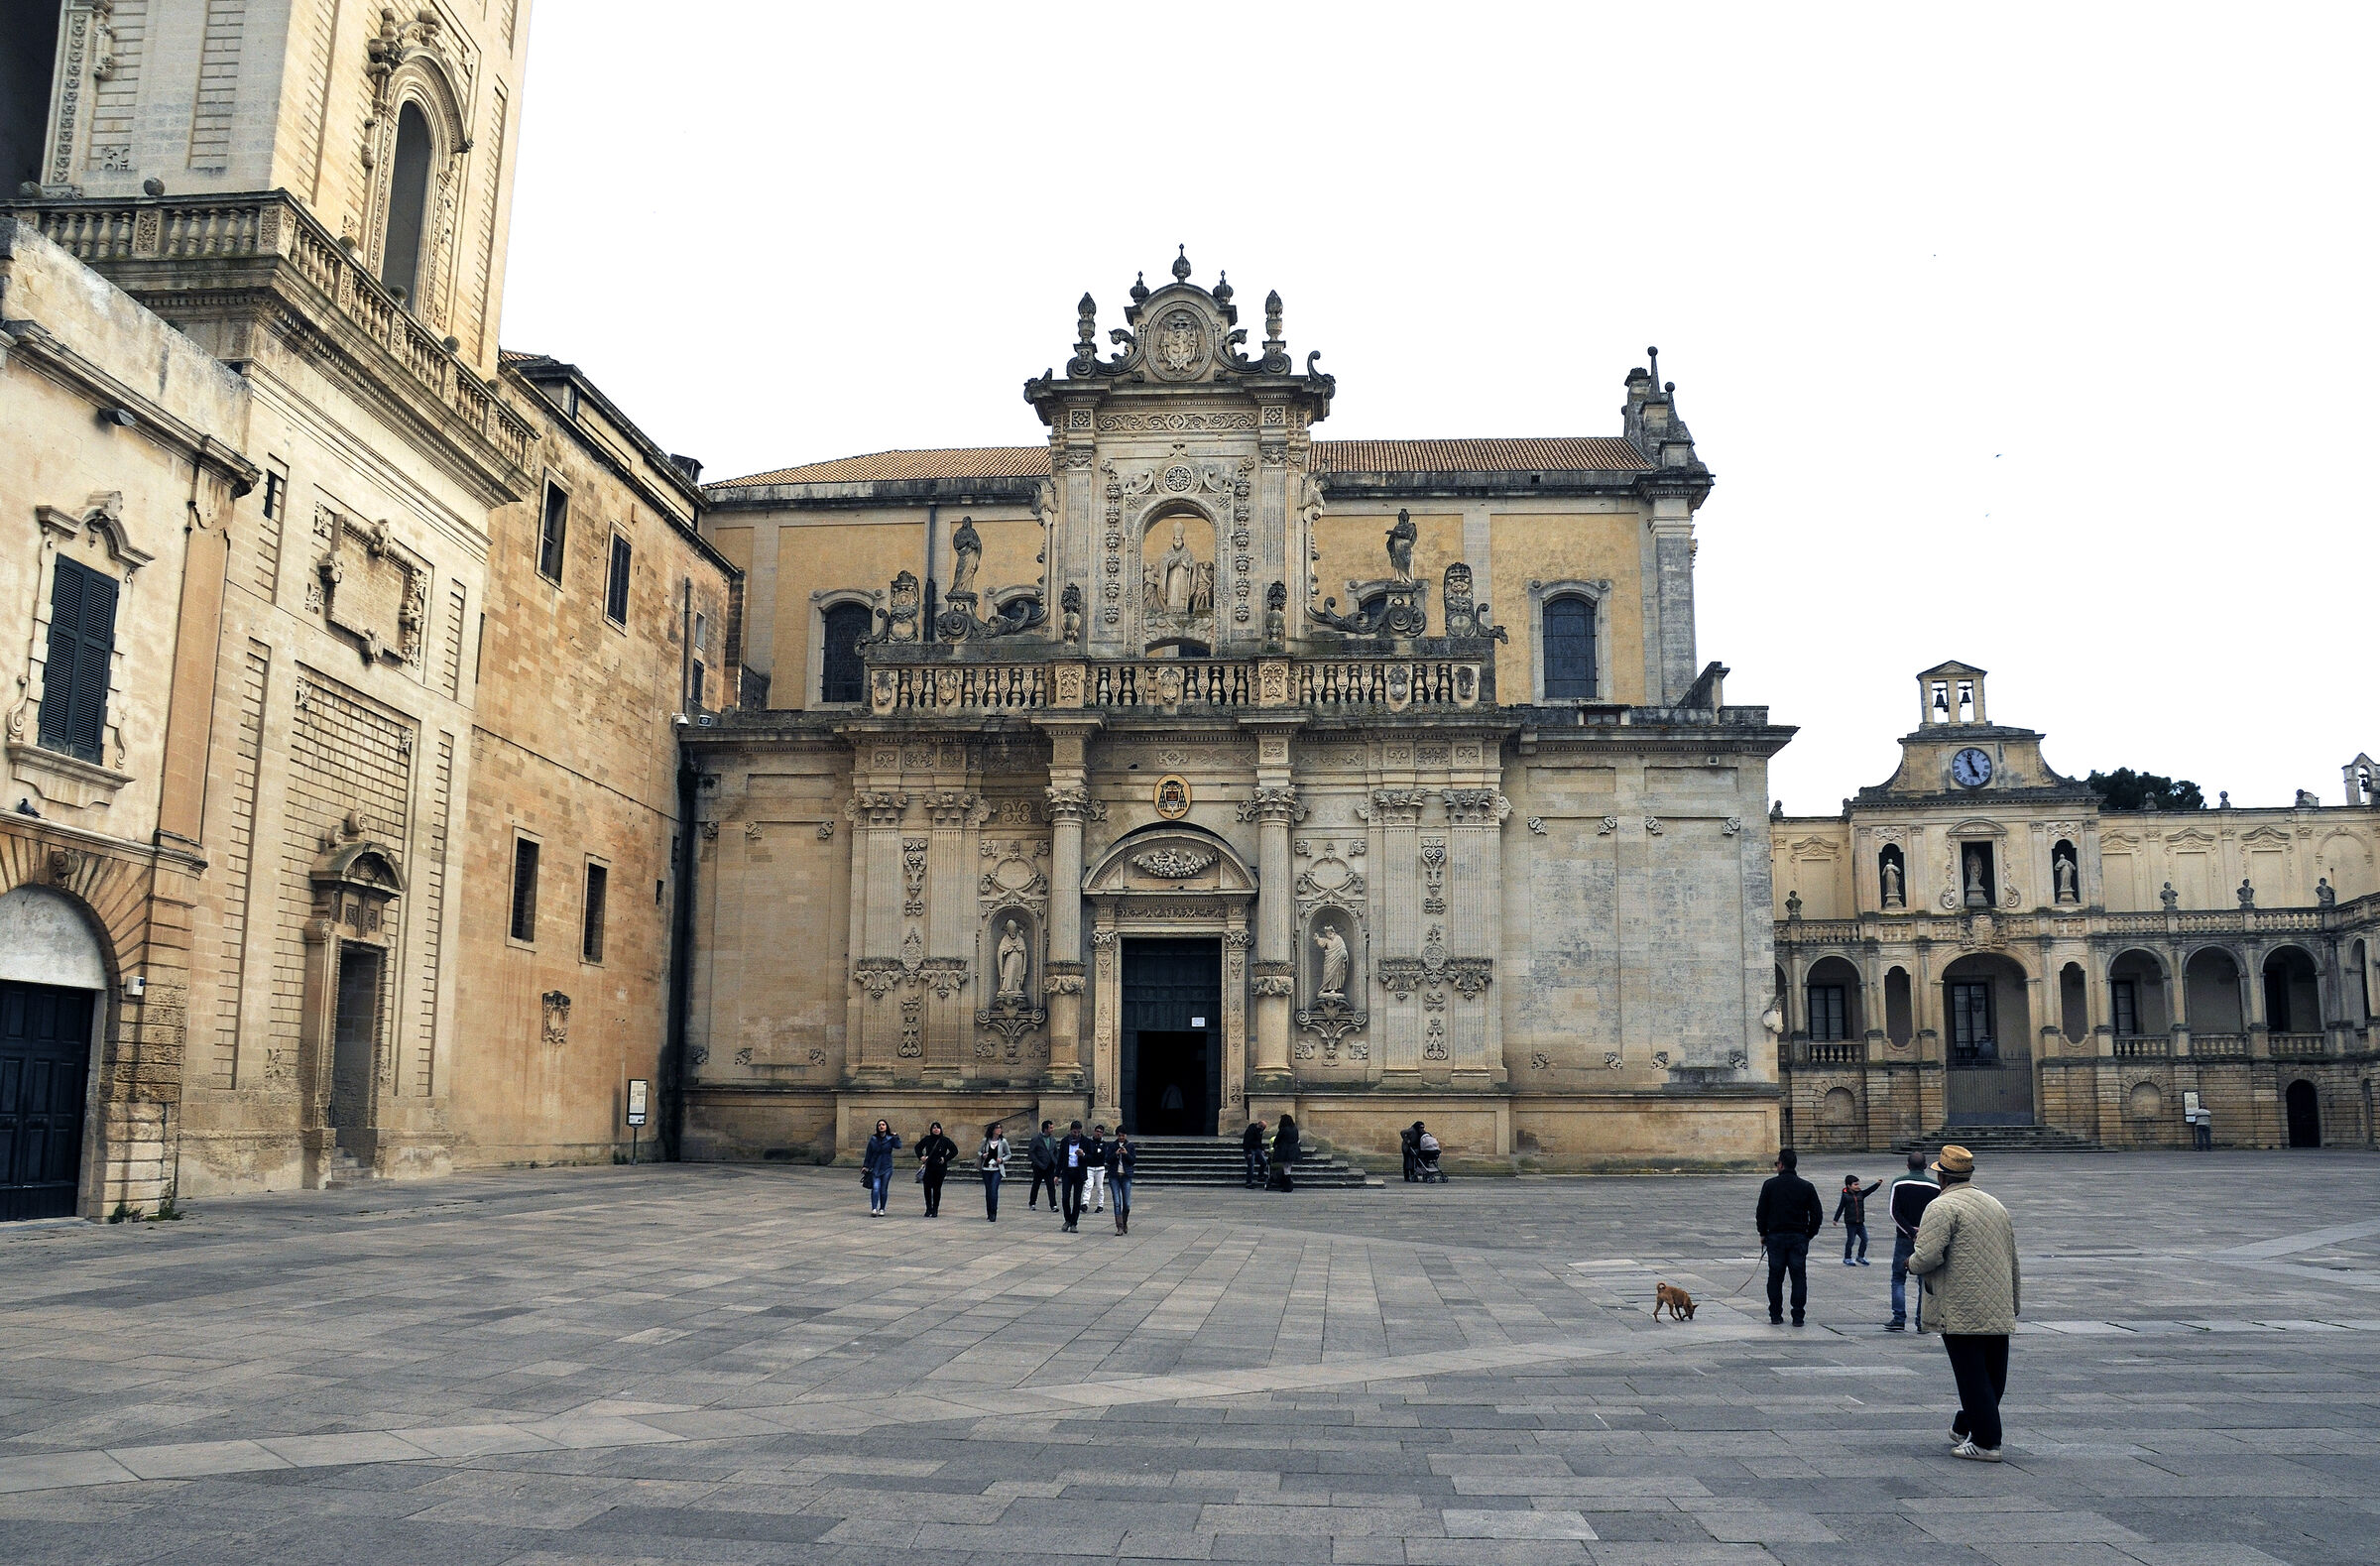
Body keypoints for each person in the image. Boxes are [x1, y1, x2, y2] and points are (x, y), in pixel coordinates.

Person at [1908, 1144, 2020, 1462]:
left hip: (1960, 1305)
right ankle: (1966, 1423)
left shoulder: (1941, 1207)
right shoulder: (1995, 1204)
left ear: (1941, 1177)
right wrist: (2014, 1300)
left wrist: (1910, 1263)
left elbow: (1928, 1256)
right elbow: (2013, 1256)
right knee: (1992, 1375)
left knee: (1971, 1376)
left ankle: (1986, 1442)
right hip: (1997, 1301)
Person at [1754, 1147, 1824, 1325]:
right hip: (1798, 1237)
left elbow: (1761, 1212)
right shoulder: (1806, 1186)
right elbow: (1817, 1214)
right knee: (1798, 1276)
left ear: (1782, 1165)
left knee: (1775, 1277)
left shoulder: (1769, 1185)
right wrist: (1809, 1234)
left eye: (1777, 1163)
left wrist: (1763, 1233)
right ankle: (1798, 1316)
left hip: (1775, 1237)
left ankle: (1775, 1315)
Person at [1885, 1149, 1939, 1331]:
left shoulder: (1899, 1183)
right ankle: (1921, 1320)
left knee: (1898, 1278)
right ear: (1925, 1166)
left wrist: (1909, 1231)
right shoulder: (1935, 1186)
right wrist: (1922, 1231)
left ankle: (1899, 1319)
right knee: (1923, 1280)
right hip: (1926, 1238)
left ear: (1907, 1166)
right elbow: (1937, 1213)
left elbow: (1894, 1212)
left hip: (1904, 1237)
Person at [1834, 1174, 1881, 1265]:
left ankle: (1860, 1256)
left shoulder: (1861, 1194)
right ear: (1849, 1186)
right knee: (1851, 1240)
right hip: (1850, 1222)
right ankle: (1847, 1257)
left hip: (1860, 1222)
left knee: (1865, 1239)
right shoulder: (1845, 1196)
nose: (1857, 1186)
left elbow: (1869, 1190)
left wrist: (1877, 1184)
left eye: (1858, 1184)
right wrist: (1836, 1219)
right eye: (1855, 1184)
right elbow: (1841, 1207)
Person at [914, 1122, 958, 1217]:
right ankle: (928, 1208)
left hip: (940, 1167)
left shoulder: (945, 1140)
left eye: (938, 1128)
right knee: (927, 1188)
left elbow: (954, 1151)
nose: (936, 1129)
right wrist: (921, 1157)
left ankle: (935, 1209)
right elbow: (917, 1147)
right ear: (931, 1129)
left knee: (937, 1188)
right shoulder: (927, 1139)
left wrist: (945, 1158)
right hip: (929, 1166)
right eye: (934, 1128)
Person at [861, 1119, 901, 1218]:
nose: (881, 1126)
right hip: (875, 1166)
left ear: (886, 1127)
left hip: (887, 1166)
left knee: (883, 1188)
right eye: (879, 1125)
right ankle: (874, 1208)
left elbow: (898, 1146)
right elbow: (868, 1153)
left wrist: (896, 1137)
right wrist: (865, 1166)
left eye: (883, 1125)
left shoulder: (890, 1138)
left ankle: (882, 1208)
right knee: (875, 1187)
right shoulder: (873, 1139)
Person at [1059, 1120, 1092, 1233]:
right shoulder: (1064, 1141)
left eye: (1078, 1132)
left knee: (1077, 1199)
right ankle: (1067, 1219)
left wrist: (1083, 1155)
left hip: (1079, 1172)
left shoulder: (1085, 1141)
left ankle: (1074, 1223)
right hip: (1067, 1172)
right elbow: (1060, 1159)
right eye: (1074, 1132)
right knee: (1065, 1198)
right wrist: (1056, 1174)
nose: (1076, 1134)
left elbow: (1091, 1157)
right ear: (1070, 1131)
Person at [977, 1122, 1010, 1222]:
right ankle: (989, 1212)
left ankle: (993, 1213)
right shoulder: (985, 1141)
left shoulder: (1003, 1141)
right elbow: (978, 1151)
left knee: (993, 1190)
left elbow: (1008, 1154)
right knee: (988, 1191)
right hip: (986, 1168)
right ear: (992, 1130)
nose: (999, 1130)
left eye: (1000, 1128)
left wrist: (1002, 1160)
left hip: (997, 1169)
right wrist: (983, 1155)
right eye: (997, 1128)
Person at [1107, 1129, 1136, 1234]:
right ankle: (1119, 1226)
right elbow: (1108, 1160)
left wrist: (1126, 1153)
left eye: (1123, 1135)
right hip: (1114, 1176)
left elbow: (1133, 1161)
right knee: (1117, 1202)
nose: (1121, 1138)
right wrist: (1116, 1153)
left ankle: (1124, 1221)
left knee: (1127, 1203)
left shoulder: (1130, 1146)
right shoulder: (1112, 1145)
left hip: (1126, 1176)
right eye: (1119, 1136)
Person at [1028, 1120, 1060, 1213]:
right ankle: (1032, 1202)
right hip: (1039, 1166)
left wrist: (1055, 1160)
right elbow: (1031, 1152)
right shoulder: (1037, 1139)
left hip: (1050, 1165)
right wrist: (1037, 1162)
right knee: (1036, 1184)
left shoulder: (1052, 1139)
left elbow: (1055, 1151)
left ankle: (1053, 1205)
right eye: (1050, 1128)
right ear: (1045, 1129)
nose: (1052, 1129)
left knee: (1051, 1186)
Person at [1269, 1114, 1300, 1192]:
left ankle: (1287, 1187)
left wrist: (1275, 1145)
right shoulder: (1295, 1129)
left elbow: (1277, 1139)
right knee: (1288, 1168)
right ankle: (1288, 1185)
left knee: (1286, 1168)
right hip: (1294, 1150)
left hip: (1285, 1150)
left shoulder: (1283, 1129)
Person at [1085, 1124, 1111, 1213]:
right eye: (1097, 1131)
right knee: (1088, 1186)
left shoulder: (1104, 1144)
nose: (1098, 1133)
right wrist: (1096, 1152)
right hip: (1090, 1167)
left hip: (1100, 1168)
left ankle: (1100, 1205)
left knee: (1100, 1187)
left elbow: (1103, 1155)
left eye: (1100, 1132)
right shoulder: (1089, 1142)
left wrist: (1095, 1153)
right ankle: (1085, 1203)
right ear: (1094, 1131)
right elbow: (1090, 1153)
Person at [1243, 1119, 1267, 1187]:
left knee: (1264, 1162)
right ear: (1260, 1125)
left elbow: (1259, 1141)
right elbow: (1246, 1141)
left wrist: (1262, 1149)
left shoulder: (1260, 1131)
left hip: (1257, 1149)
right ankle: (1249, 1182)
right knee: (1251, 1166)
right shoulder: (1250, 1130)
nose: (1264, 1129)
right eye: (1264, 1127)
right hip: (1250, 1150)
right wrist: (1248, 1152)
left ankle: (1260, 1176)